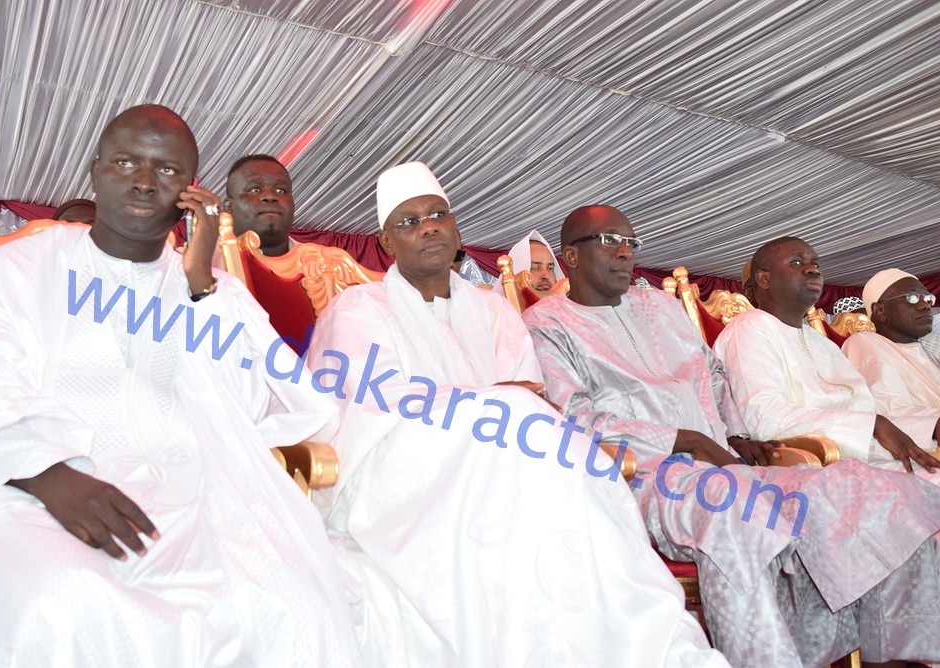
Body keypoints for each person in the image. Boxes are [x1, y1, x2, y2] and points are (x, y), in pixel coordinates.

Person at [0, 105, 360, 666]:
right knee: (59, 603)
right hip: (27, 485)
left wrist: (200, 285)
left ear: (191, 190)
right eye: (125, 161)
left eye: (166, 170)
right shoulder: (13, 272)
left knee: (294, 609)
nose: (143, 180)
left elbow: (270, 400)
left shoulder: (213, 291)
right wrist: (46, 474)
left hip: (201, 489)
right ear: (94, 171)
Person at [307, 162, 728, 667]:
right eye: (410, 221)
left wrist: (503, 405)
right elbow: (374, 405)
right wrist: (489, 404)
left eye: (438, 214)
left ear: (456, 227)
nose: (429, 227)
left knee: (566, 489)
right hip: (406, 473)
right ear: (387, 243)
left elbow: (532, 396)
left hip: (512, 459)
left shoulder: (494, 311)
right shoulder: (357, 309)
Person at [522, 206, 940, 666]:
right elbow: (574, 421)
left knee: (875, 488)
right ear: (572, 257)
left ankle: (894, 655)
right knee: (738, 507)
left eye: (631, 243)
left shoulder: (660, 307)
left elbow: (716, 376)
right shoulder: (546, 324)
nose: (625, 253)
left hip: (727, 464)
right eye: (609, 242)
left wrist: (738, 435)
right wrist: (685, 440)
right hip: (645, 477)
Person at [714, 237, 940, 480]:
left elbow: (870, 411)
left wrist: (926, 426)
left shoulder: (821, 342)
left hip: (867, 457)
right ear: (764, 279)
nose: (812, 269)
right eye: (797, 262)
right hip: (816, 468)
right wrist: (872, 425)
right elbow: (767, 419)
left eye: (816, 264)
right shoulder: (749, 327)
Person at [842, 269, 940, 424]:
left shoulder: (931, 343)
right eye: (911, 297)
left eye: (927, 297)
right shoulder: (865, 342)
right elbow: (887, 408)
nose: (925, 305)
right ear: (880, 311)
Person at [223, 154, 297, 256]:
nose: (270, 196)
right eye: (254, 190)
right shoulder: (204, 263)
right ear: (228, 207)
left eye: (281, 190)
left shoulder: (322, 261)